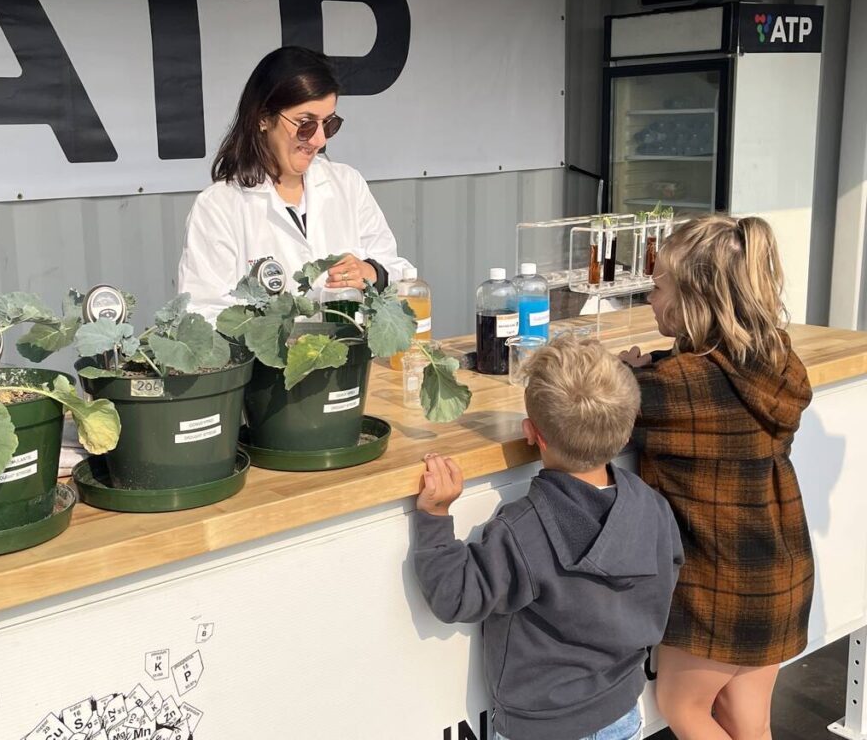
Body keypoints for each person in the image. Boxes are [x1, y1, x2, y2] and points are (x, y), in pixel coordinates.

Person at [413, 337, 683, 740]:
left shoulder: (523, 528)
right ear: (626, 433)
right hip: (620, 712)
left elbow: (456, 597)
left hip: (538, 726)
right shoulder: (654, 508)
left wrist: (434, 516)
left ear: (531, 434)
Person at [620, 215, 813, 740]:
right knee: (748, 723)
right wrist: (648, 370)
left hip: (717, 583)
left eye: (657, 286)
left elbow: (598, 409)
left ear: (692, 299)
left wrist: (625, 374)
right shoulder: (774, 358)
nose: (650, 299)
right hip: (779, 569)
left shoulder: (675, 386)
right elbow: (707, 387)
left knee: (681, 707)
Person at [177, 46, 412, 321]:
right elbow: (202, 314)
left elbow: (400, 273)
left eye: (328, 124)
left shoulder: (347, 184)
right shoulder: (219, 207)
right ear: (263, 118)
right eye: (305, 124)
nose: (319, 139)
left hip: (352, 360)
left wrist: (371, 272)